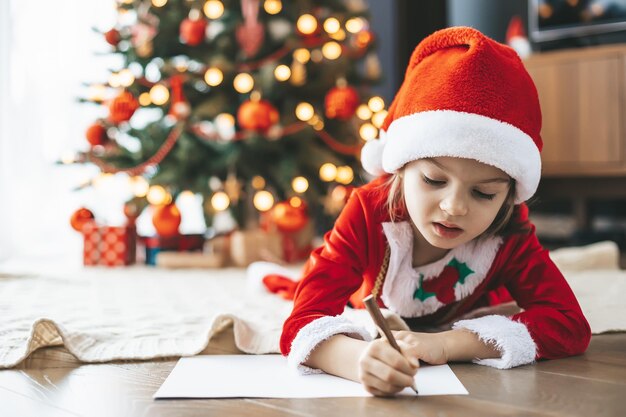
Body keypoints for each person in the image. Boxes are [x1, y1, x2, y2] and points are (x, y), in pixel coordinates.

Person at [263, 26, 591, 396]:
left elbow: (569, 325)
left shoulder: (509, 233)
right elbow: (302, 322)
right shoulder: (367, 211)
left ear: (510, 196)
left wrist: (449, 344)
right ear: (400, 168)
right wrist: (359, 360)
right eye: (434, 180)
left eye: (484, 193)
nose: (454, 207)